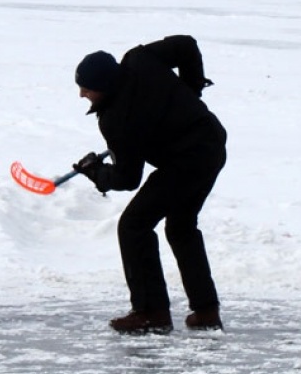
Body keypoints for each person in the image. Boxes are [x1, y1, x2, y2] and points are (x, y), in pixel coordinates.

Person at [72, 36, 226, 333]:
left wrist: (97, 174)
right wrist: (191, 91)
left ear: (104, 86)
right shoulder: (140, 60)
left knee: (134, 226)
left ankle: (151, 312)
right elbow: (186, 45)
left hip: (186, 161)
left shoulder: (117, 119)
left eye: (87, 88)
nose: (82, 94)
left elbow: (128, 179)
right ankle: (206, 310)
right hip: (211, 143)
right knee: (181, 228)